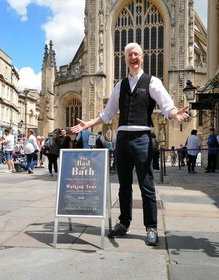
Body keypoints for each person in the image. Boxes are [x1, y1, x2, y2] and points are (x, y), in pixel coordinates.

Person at [71, 42, 189, 246]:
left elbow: (167, 105)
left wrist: (174, 113)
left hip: (143, 138)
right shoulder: (120, 86)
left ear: (142, 58)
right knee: (124, 185)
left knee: (146, 185)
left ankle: (151, 227)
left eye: (136, 54)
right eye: (129, 55)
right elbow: (108, 114)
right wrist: (88, 123)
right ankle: (123, 223)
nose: (133, 58)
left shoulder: (152, 82)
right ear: (125, 59)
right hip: (123, 139)